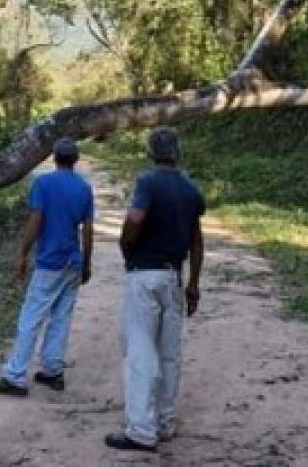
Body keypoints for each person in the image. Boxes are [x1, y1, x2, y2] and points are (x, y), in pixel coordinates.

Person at [105, 127, 205, 453]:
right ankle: (164, 421)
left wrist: (126, 246)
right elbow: (196, 240)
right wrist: (193, 285)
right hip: (174, 277)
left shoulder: (147, 182)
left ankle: (140, 430)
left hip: (144, 276)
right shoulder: (191, 189)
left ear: (151, 152)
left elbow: (135, 219)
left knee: (140, 351)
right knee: (169, 353)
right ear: (178, 152)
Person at [0, 136, 95, 396]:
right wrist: (87, 262)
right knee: (61, 317)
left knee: (31, 317)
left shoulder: (43, 183)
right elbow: (88, 230)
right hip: (72, 260)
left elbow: (36, 220)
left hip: (50, 260)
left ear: (54, 158)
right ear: (76, 159)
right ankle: (52, 371)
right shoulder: (84, 188)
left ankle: (15, 376)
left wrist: (23, 253)